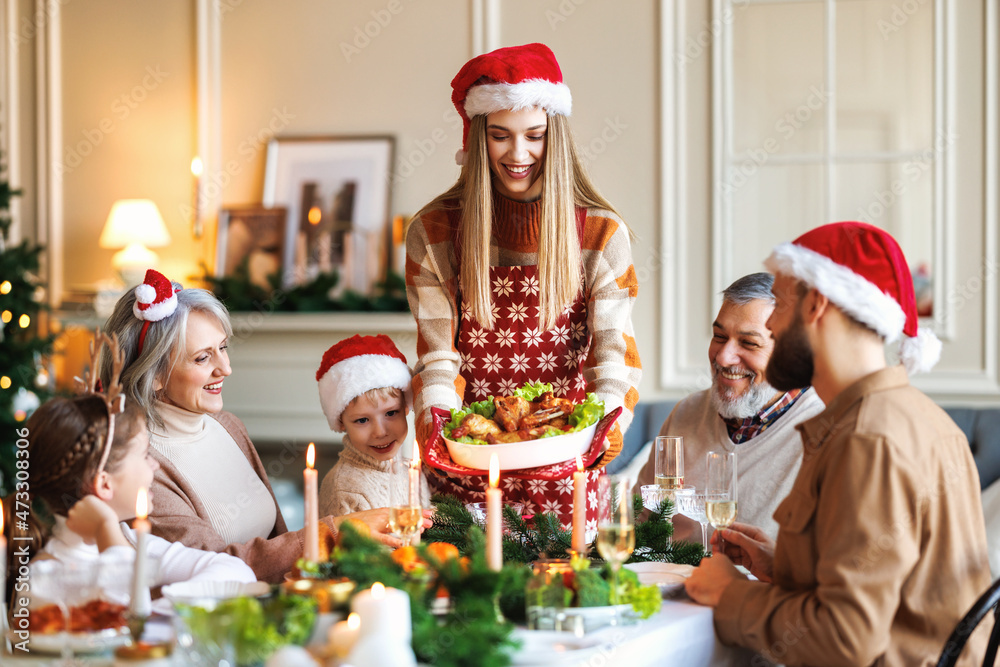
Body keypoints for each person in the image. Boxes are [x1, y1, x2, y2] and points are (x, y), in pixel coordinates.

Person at [685, 222, 992, 665]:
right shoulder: (918, 416)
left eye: (781, 306)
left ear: (816, 304)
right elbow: (899, 588)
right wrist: (782, 567)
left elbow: (844, 640)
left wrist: (731, 595)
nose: (770, 322)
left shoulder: (866, 440)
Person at [405, 43, 641, 524]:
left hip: (568, 465)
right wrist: (442, 430)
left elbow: (612, 352)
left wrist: (609, 421)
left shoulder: (601, 234)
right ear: (477, 138)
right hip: (468, 466)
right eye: (500, 136)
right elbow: (437, 356)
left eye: (534, 135)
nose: (519, 154)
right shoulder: (433, 232)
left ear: (555, 136)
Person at [101, 269, 427, 583]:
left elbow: (276, 540)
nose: (225, 368)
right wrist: (332, 531)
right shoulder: (140, 466)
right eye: (203, 358)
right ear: (155, 375)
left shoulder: (228, 426)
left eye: (223, 348)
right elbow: (216, 568)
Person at [4, 335, 255, 613]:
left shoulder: (130, 538)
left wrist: (164, 607)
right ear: (104, 484)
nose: (155, 465)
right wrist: (105, 531)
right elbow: (130, 626)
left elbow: (236, 572)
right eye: (145, 455)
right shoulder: (45, 578)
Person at [636, 273, 823, 543]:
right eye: (719, 336)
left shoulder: (825, 429)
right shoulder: (687, 412)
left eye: (749, 343)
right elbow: (640, 521)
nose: (723, 357)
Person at [316, 334, 430, 517]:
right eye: (362, 420)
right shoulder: (346, 491)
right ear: (341, 422)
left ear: (406, 408)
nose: (380, 432)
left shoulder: (410, 471)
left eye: (391, 413)